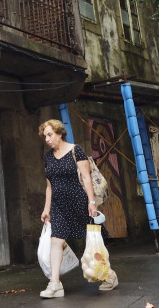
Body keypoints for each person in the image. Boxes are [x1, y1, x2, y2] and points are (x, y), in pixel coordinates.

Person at [39, 119, 118, 298]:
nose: (47, 139)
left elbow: (86, 178)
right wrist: (47, 209)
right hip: (58, 206)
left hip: (79, 201)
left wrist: (91, 202)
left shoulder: (76, 151)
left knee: (93, 241)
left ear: (60, 133)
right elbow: (49, 186)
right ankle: (55, 284)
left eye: (50, 134)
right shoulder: (48, 157)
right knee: (56, 240)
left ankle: (110, 276)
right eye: (45, 136)